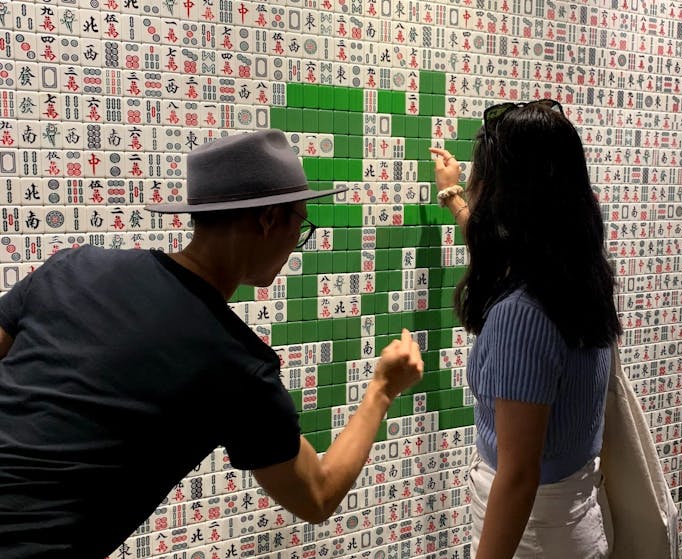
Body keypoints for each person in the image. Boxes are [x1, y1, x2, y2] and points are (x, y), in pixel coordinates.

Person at [0, 130, 424, 558]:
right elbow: (317, 494)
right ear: (269, 219)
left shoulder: (71, 267)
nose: (298, 241)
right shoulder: (235, 363)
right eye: (301, 223)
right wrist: (382, 390)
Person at [429, 99, 622, 559]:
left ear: (509, 194)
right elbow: (504, 255)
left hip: (533, 535)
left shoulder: (522, 313)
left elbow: (518, 476)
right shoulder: (576, 276)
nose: (477, 182)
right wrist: (453, 197)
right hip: (574, 524)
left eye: (485, 174)